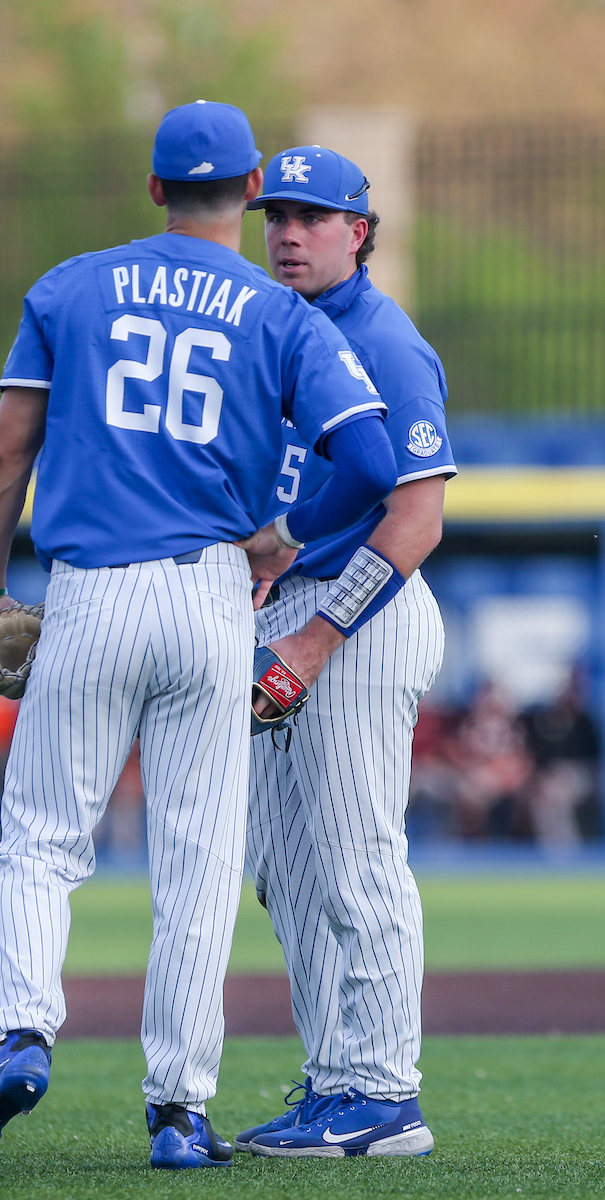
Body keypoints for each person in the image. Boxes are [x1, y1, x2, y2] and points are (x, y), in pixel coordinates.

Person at [0, 107, 399, 1172]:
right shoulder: (283, 316)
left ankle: (20, 1034)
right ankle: (179, 1114)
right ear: (245, 188)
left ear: (151, 190)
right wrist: (283, 535)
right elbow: (371, 465)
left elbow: (8, 457)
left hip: (92, 587)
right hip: (211, 593)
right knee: (195, 864)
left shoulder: (67, 287)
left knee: (44, 840)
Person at [234, 146, 457, 1159]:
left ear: (358, 230)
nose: (287, 233)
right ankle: (334, 1082)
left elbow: (413, 520)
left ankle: (384, 1094)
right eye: (275, 214)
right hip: (294, 603)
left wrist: (316, 641)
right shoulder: (278, 329)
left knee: (356, 861)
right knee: (285, 868)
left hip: (360, 613)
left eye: (312, 217)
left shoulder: (382, 340)